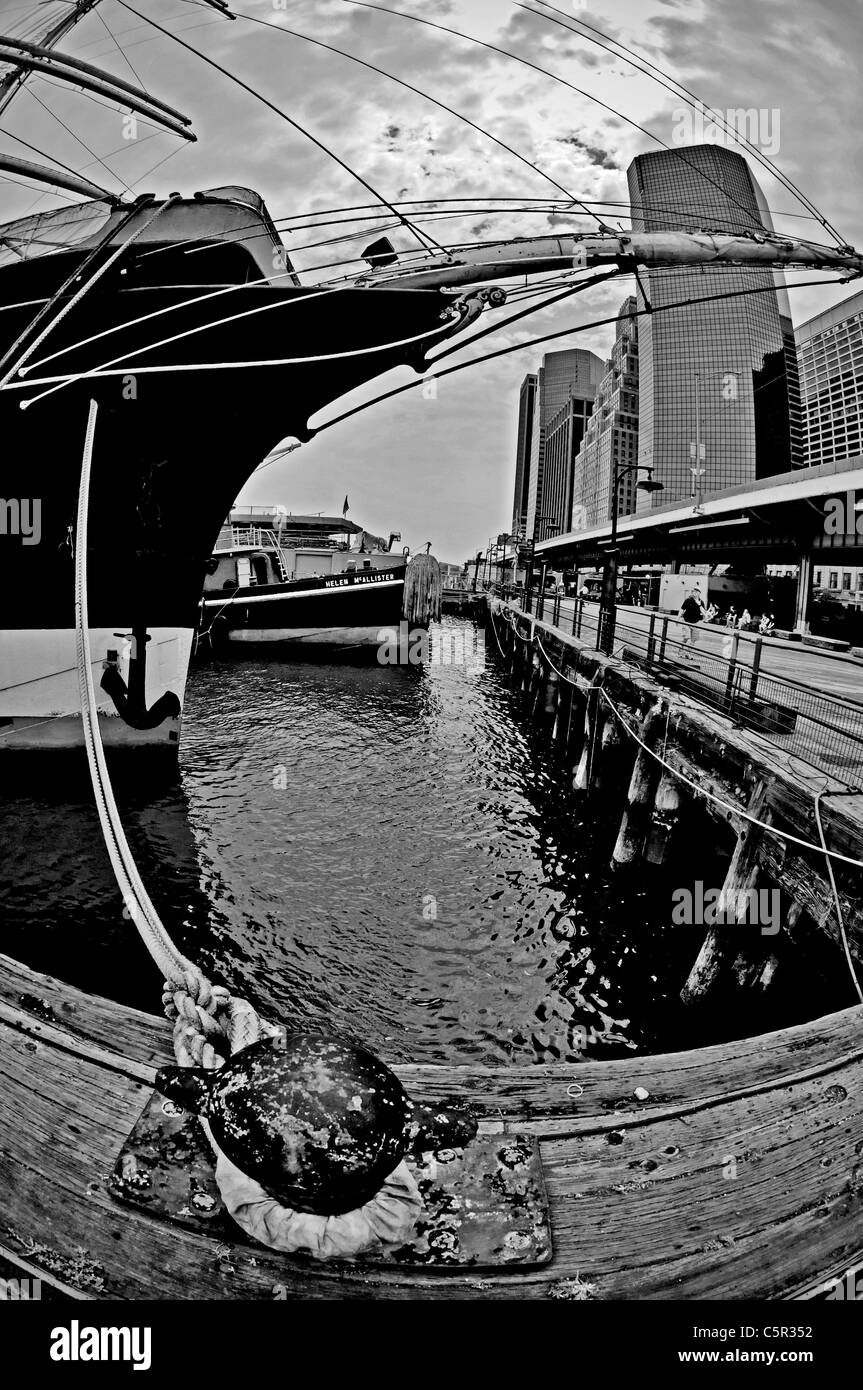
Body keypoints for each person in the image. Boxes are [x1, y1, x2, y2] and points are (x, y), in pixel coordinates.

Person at [679, 587, 705, 659]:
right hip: (686, 621)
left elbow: (703, 612)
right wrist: (677, 619)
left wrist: (704, 615)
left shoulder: (701, 602)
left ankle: (688, 654)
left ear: (699, 593)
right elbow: (682, 609)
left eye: (696, 591)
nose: (694, 592)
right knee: (686, 637)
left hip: (695, 623)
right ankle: (680, 652)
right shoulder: (688, 600)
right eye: (693, 591)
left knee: (693, 640)